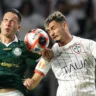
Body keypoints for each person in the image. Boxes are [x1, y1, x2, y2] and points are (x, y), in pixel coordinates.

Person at [24, 11, 96, 96]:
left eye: (53, 28)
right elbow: (33, 83)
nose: (52, 33)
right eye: (49, 31)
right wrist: (29, 82)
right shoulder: (49, 54)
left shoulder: (88, 44)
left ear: (64, 25)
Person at [0, 8, 41, 96]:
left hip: (15, 93)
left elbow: (45, 58)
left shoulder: (25, 46)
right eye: (5, 20)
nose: (8, 24)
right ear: (1, 24)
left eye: (12, 21)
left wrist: (33, 80)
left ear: (18, 28)